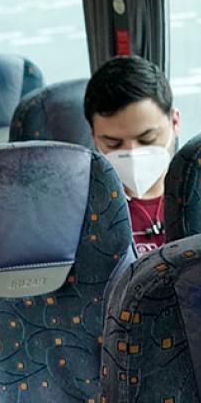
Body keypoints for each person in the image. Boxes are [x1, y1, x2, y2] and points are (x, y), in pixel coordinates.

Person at [84, 55, 180, 256]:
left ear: (175, 122)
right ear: (94, 136)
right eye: (113, 143)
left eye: (148, 139)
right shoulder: (86, 209)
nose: (132, 154)